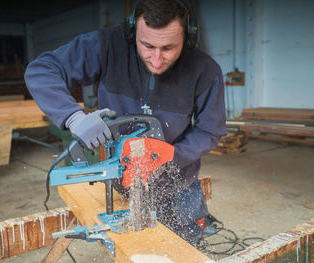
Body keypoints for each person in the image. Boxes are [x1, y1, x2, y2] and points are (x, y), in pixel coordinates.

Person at [25, 0, 226, 245]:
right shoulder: (107, 46)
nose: (156, 59)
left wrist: (170, 155)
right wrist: (73, 117)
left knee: (184, 251)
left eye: (169, 48)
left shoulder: (205, 70)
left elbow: (210, 130)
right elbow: (41, 70)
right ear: (132, 31)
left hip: (178, 186)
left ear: (188, 34)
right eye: (147, 45)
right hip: (119, 185)